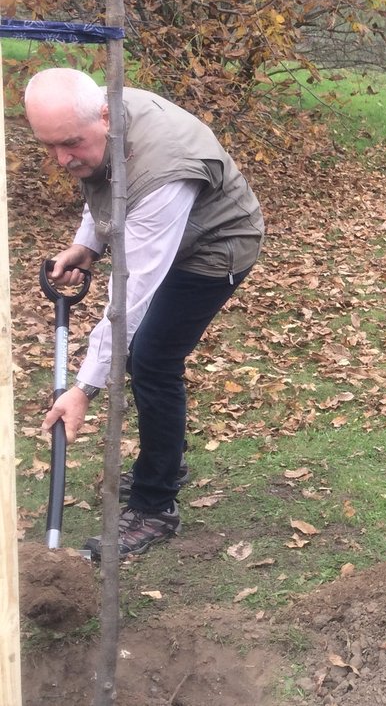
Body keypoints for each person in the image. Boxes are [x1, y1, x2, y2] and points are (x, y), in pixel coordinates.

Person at [26, 68, 265, 559]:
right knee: (145, 358)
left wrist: (84, 388)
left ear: (106, 117)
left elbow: (130, 295)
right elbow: (106, 187)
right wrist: (85, 245)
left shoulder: (163, 171)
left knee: (152, 359)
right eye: (49, 146)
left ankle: (156, 504)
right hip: (171, 237)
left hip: (217, 246)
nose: (62, 158)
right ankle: (167, 457)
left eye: (70, 143)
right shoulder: (99, 117)